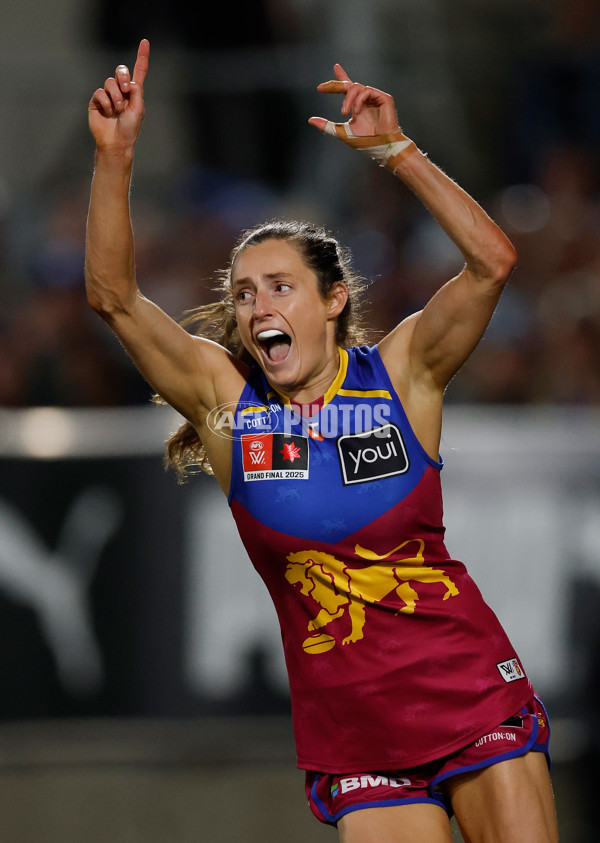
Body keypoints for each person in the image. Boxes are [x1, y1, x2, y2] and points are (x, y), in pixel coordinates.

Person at [86, 39, 559, 843]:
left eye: (281, 286)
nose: (258, 306)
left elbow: (492, 263)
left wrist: (397, 151)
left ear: (334, 299)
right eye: (244, 293)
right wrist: (115, 157)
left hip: (471, 691)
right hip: (356, 734)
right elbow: (114, 298)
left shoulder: (403, 375)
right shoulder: (228, 408)